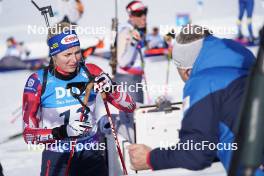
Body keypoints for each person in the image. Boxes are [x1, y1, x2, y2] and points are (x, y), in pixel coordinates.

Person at [128, 25, 264, 175]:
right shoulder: (251, 67)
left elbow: (196, 154)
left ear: (186, 72)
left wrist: (150, 158)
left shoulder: (203, 83)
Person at [22, 22, 136, 176]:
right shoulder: (38, 81)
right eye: (67, 55)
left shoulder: (91, 71)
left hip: (92, 155)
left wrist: (112, 88)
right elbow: (29, 135)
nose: (74, 60)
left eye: (77, 52)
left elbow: (129, 106)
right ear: (54, 55)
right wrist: (63, 131)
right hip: (58, 157)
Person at [114, 0, 148, 143]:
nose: (144, 17)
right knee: (132, 120)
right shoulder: (126, 31)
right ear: (131, 16)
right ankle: (131, 154)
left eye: (144, 12)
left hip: (134, 78)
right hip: (127, 79)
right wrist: (133, 43)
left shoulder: (135, 30)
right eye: (139, 14)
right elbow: (122, 60)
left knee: (137, 119)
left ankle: (136, 149)